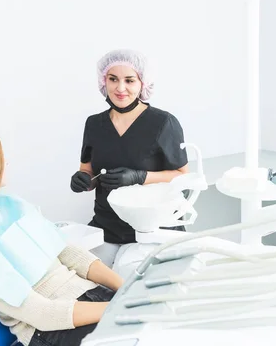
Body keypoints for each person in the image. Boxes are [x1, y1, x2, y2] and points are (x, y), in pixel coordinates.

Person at [0, 123, 124, 346]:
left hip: (90, 298)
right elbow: (44, 315)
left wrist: (127, 289)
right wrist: (121, 307)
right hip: (53, 331)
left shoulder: (7, 205)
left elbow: (68, 252)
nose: (5, 162)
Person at [70, 49, 189, 268]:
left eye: (129, 80)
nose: (120, 88)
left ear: (142, 83)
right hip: (107, 225)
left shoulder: (164, 123)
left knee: (129, 279)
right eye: (113, 79)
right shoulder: (94, 124)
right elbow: (88, 170)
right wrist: (84, 180)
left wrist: (139, 177)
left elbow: (182, 176)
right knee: (76, 272)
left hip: (152, 227)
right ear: (103, 81)